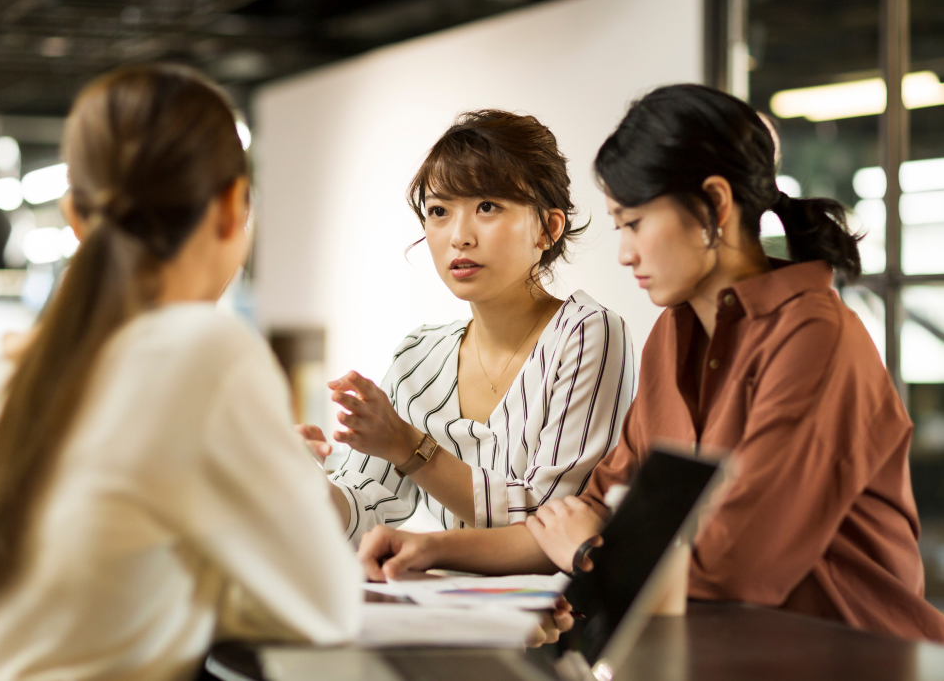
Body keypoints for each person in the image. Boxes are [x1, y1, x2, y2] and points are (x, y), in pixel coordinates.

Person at [362, 83, 944, 643]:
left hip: (851, 660)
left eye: (636, 224)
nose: (625, 253)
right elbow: (587, 512)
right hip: (725, 655)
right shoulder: (673, 333)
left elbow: (736, 570)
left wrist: (589, 554)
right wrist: (433, 550)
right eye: (619, 226)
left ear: (714, 203)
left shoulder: (814, 337)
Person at [0, 65, 361, 680]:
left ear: (73, 217)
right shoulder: (206, 349)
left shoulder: (1, 371)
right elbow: (322, 608)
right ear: (232, 208)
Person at [299, 110, 636, 557]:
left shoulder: (586, 333)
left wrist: (410, 447)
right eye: (439, 211)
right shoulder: (419, 355)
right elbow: (366, 507)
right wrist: (302, 481)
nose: (459, 236)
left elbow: (551, 520)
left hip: (552, 621)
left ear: (548, 229)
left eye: (487, 207)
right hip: (449, 613)